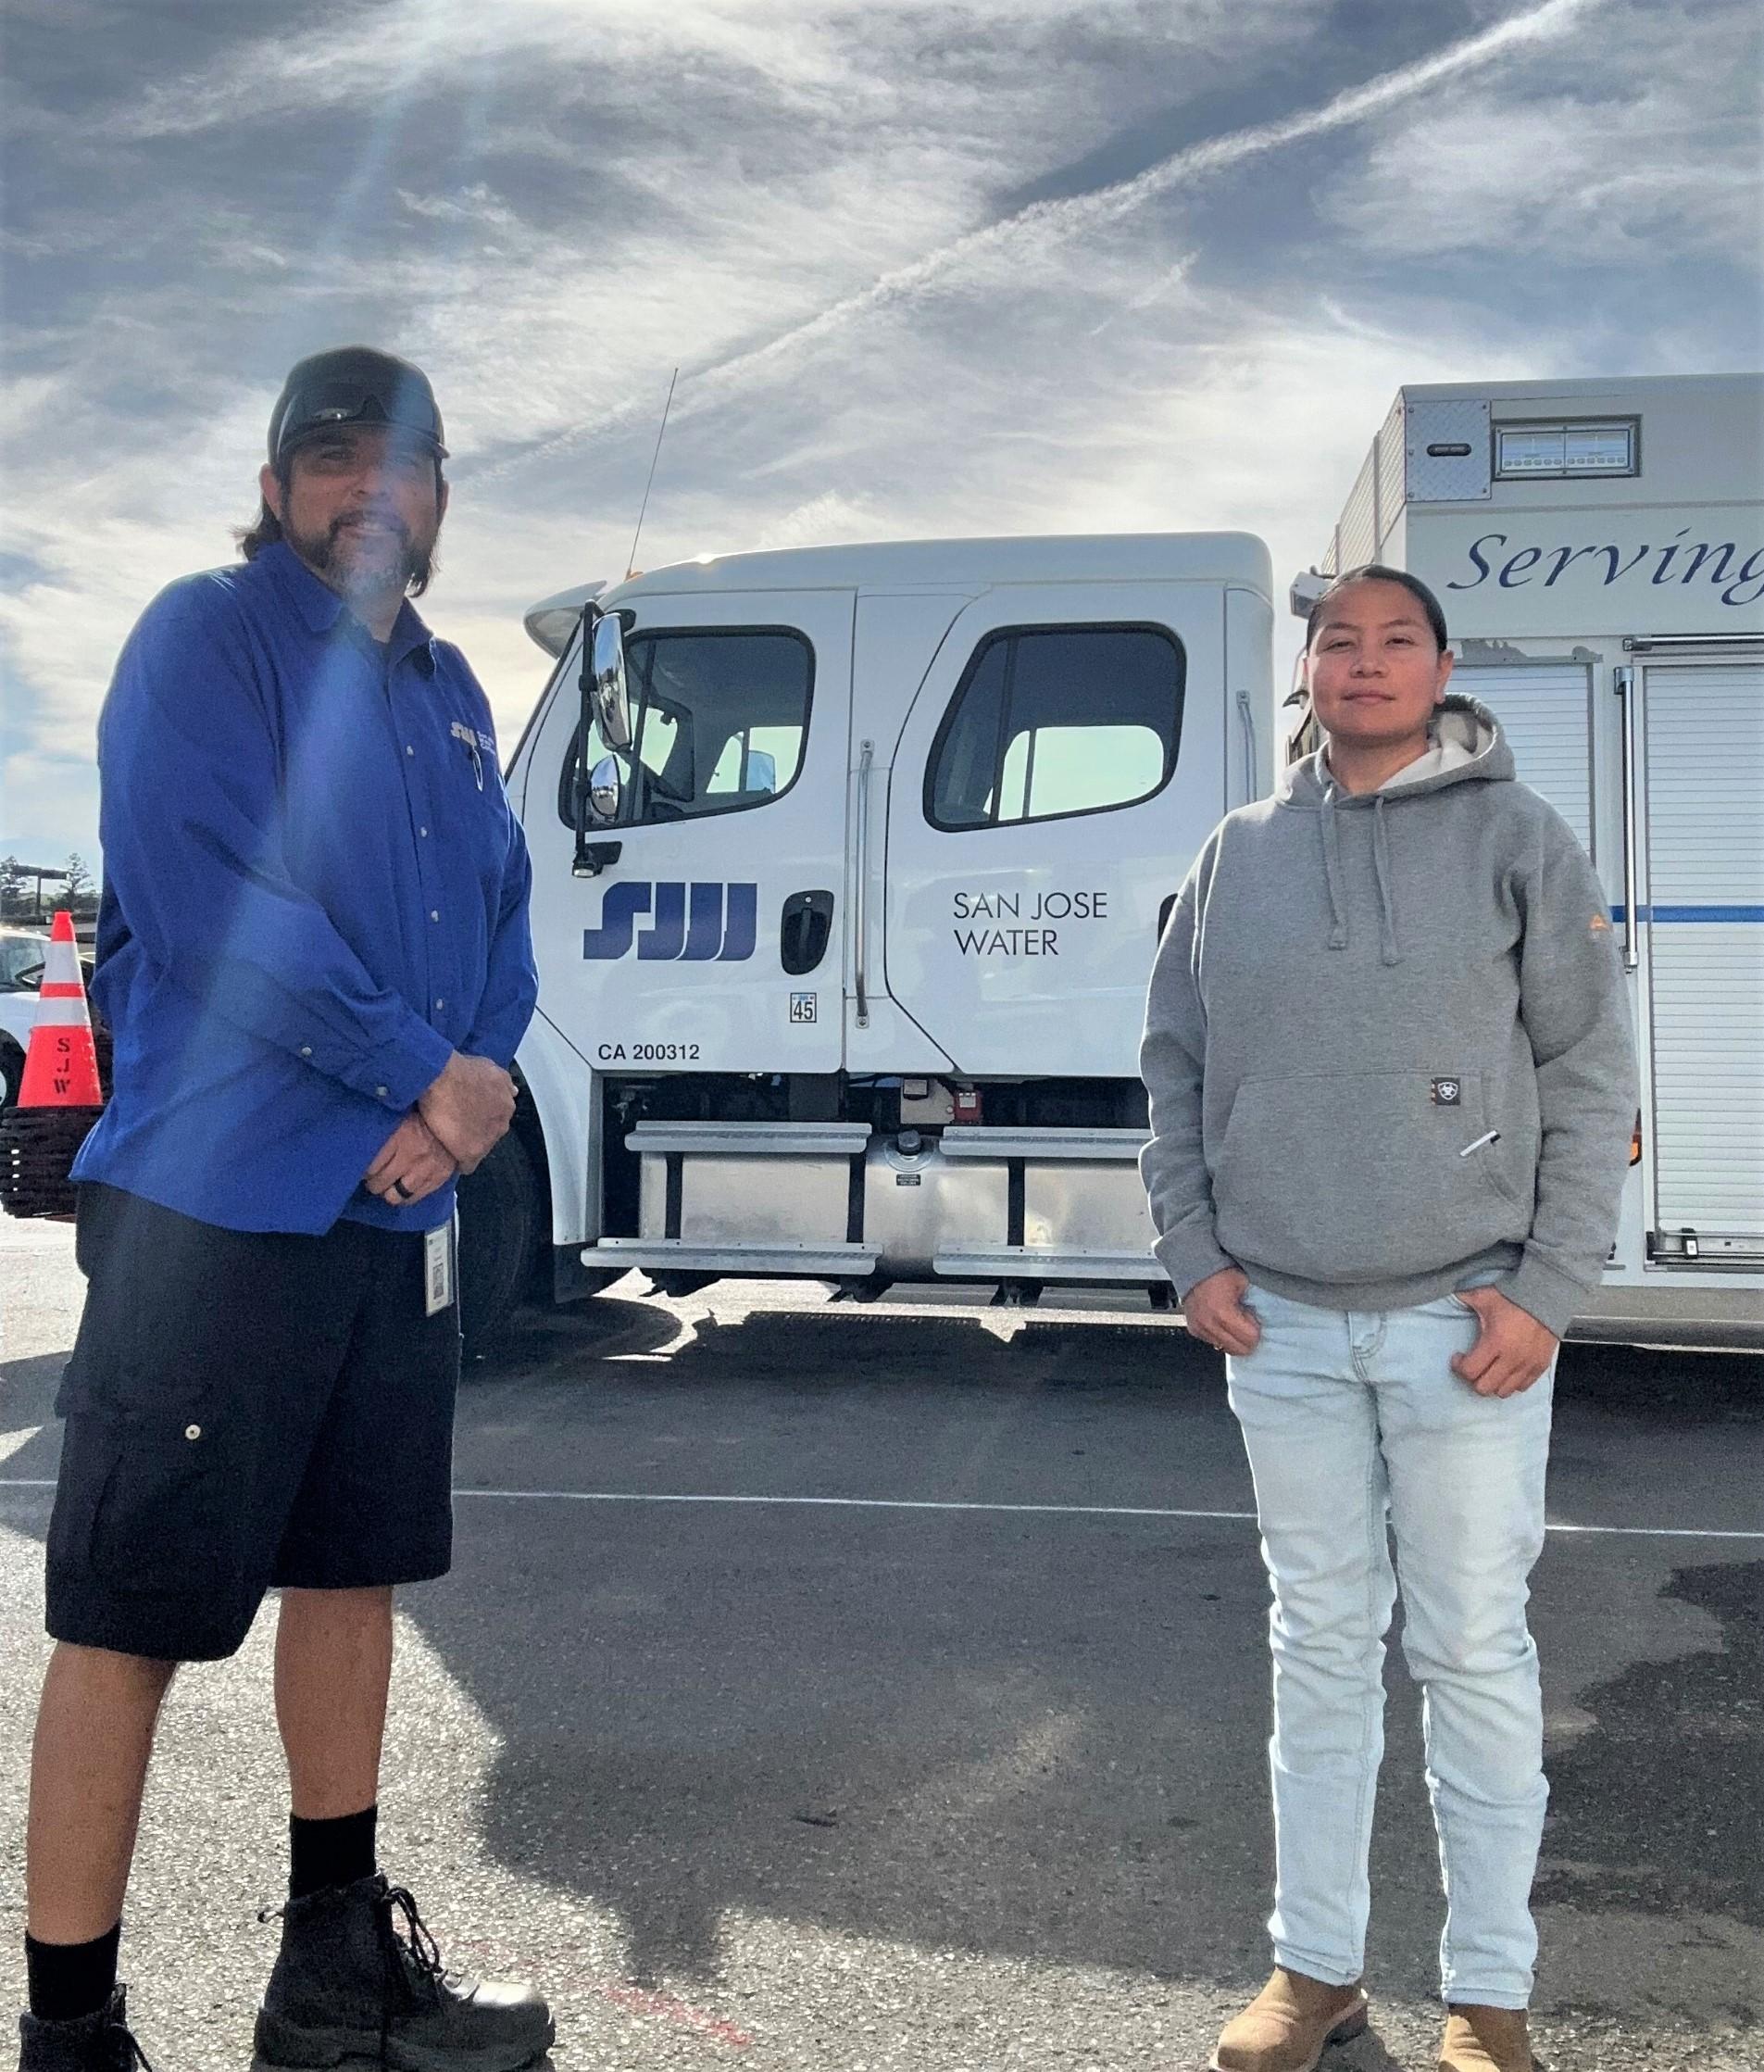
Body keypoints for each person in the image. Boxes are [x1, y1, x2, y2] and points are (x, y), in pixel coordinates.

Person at [19, 347, 550, 2072]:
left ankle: (330, 1980)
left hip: (394, 1224)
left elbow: (504, 917)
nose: (367, 493)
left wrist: (470, 1088)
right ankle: (71, 2028)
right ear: (274, 488)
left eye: (401, 466)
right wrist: (419, 1076)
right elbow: (210, 895)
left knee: (354, 1577)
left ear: (440, 500)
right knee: (129, 1617)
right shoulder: (205, 636)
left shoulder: (457, 691)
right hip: (214, 1215)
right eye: (331, 461)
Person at [1140, 565, 1636, 2072]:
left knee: (1475, 1653)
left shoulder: (1517, 839)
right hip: (1278, 1326)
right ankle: (1316, 1974)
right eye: (1337, 641)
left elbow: (1588, 1074)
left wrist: (1546, 1291)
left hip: (1461, 1328)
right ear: (1306, 672)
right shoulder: (1237, 851)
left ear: (1439, 668)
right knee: (1318, 1651)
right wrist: (1192, 1251)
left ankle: (1486, 2001)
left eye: (1394, 640)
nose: (1364, 662)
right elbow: (1171, 1061)